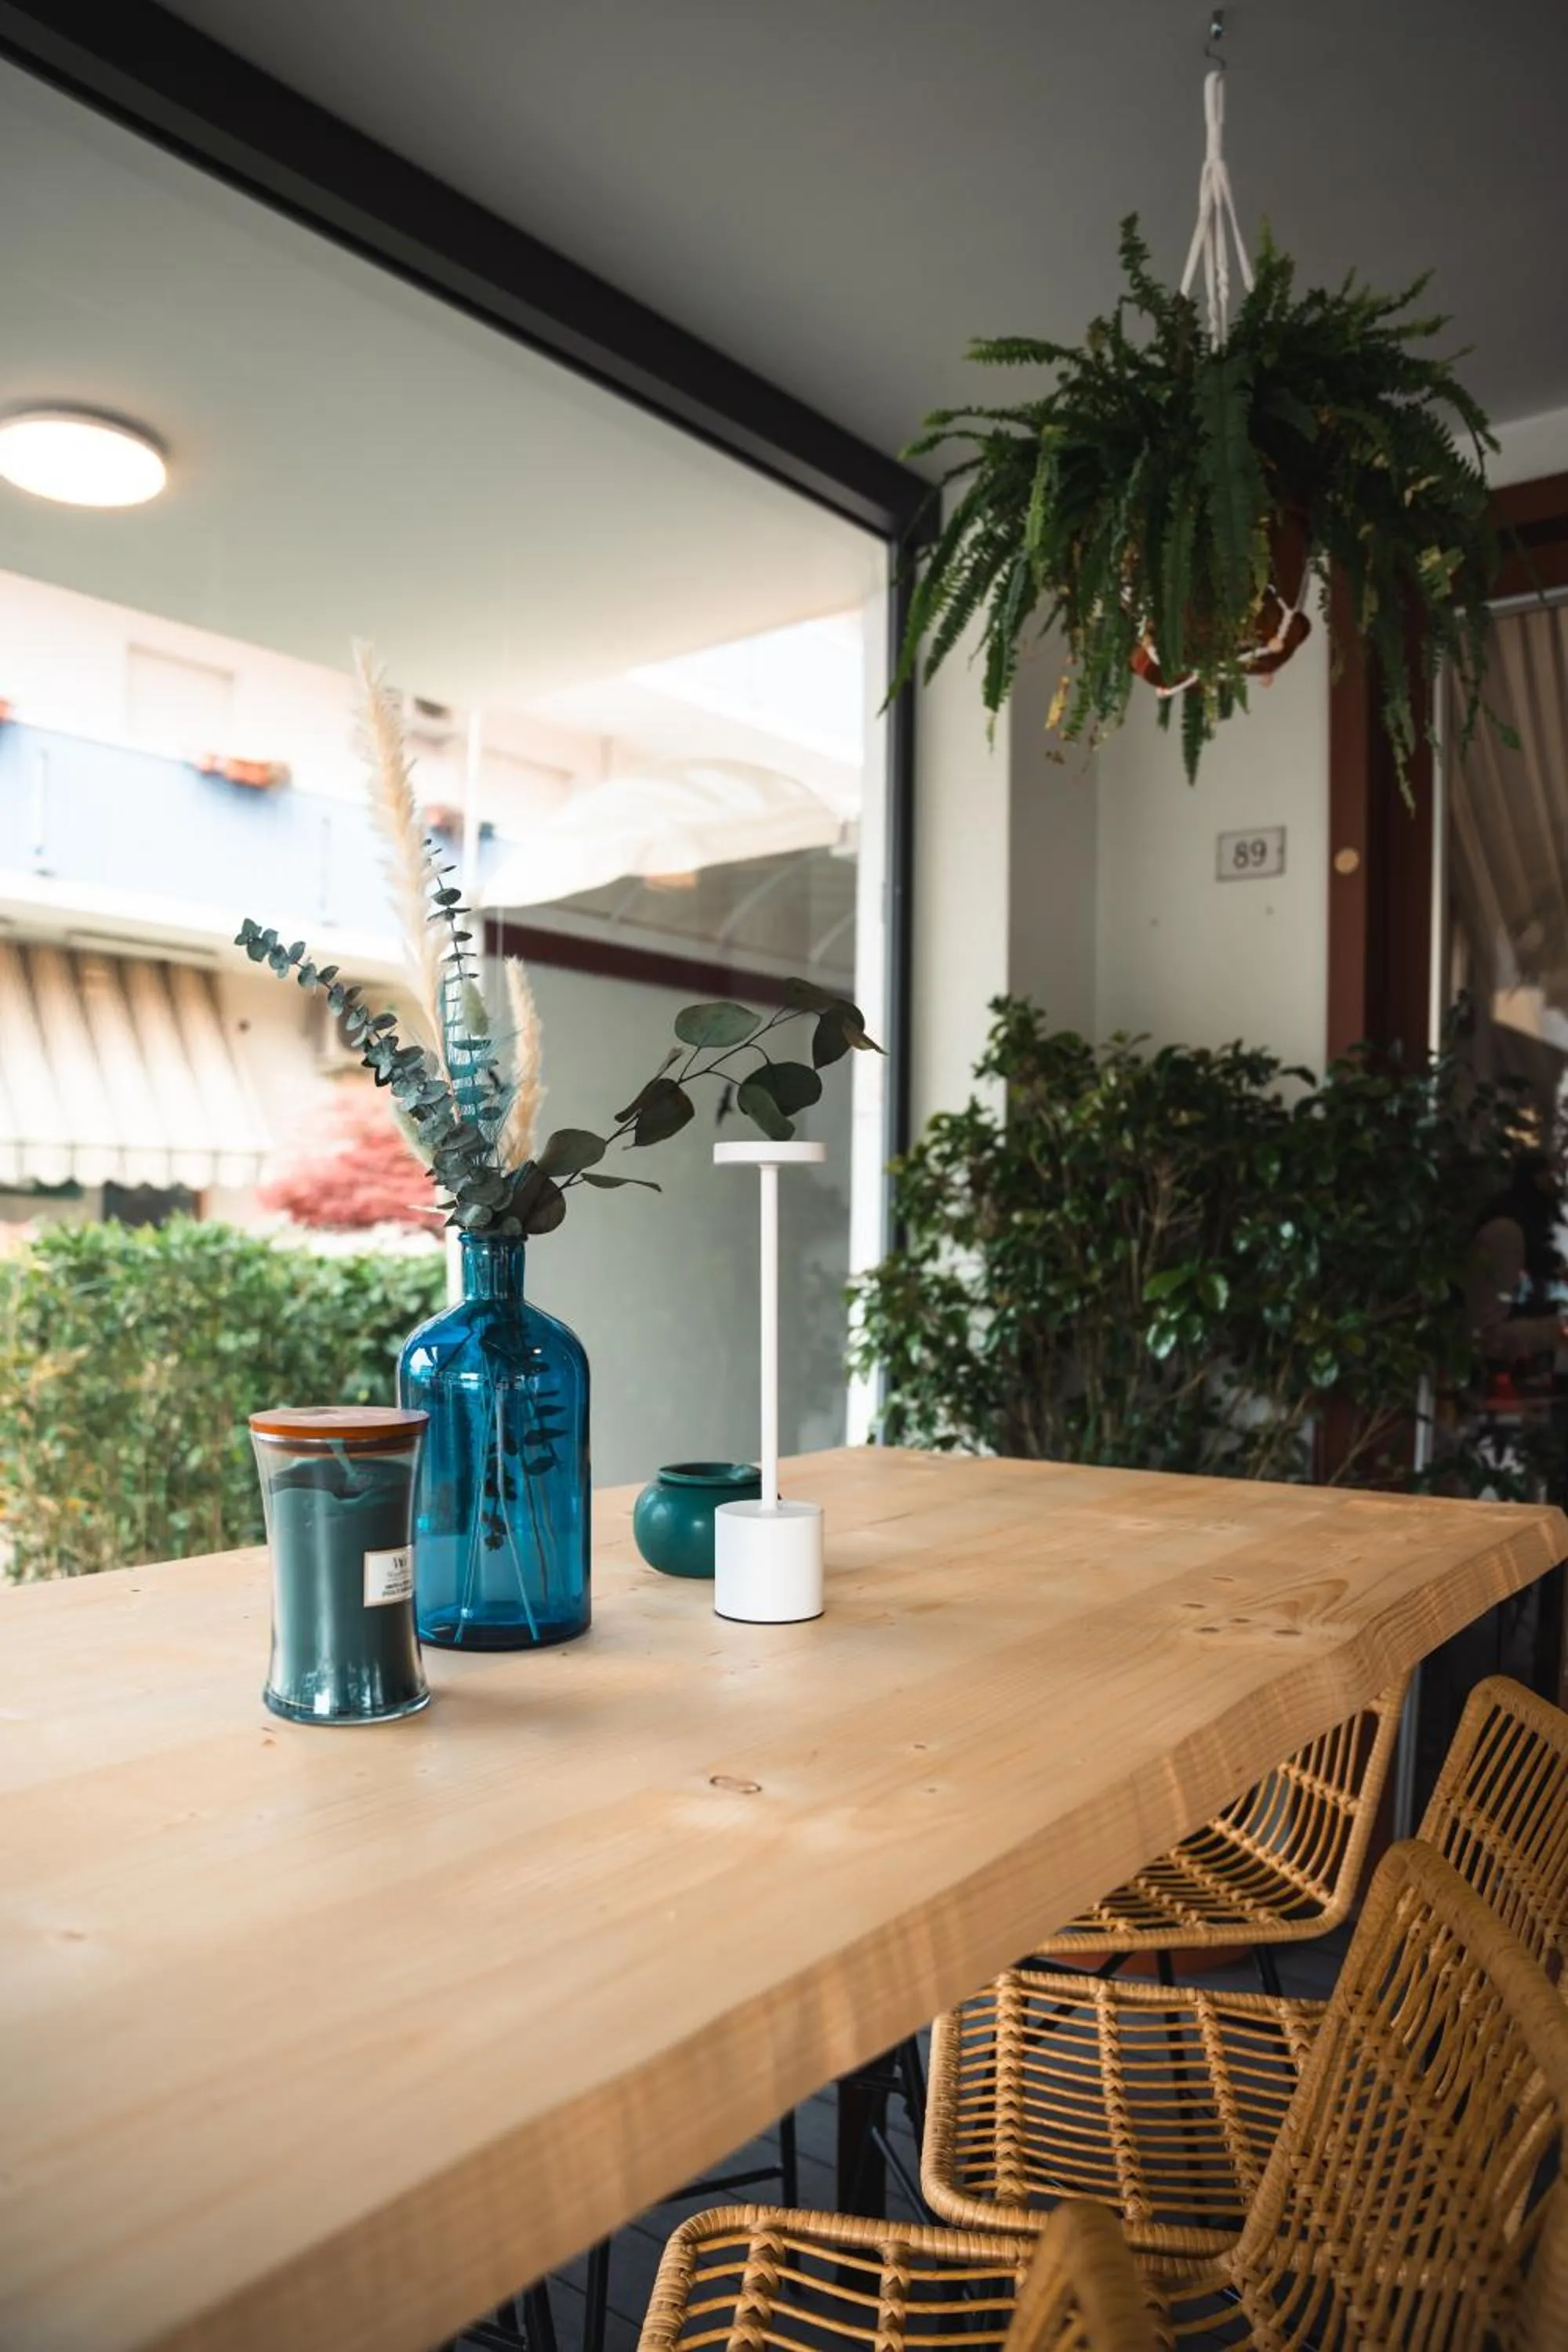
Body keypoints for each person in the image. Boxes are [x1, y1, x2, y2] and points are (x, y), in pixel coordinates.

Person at [1467, 1151, 1567, 1367]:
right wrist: (1561, 1330)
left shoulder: (1533, 1236)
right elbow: (1488, 1335)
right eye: (1552, 1176)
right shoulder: (1506, 1233)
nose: (1558, 1185)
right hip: (1494, 1383)